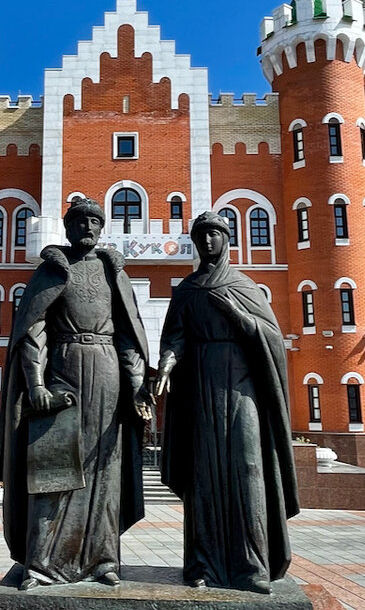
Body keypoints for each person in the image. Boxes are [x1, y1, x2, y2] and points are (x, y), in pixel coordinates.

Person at [0, 197, 154, 590]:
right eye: (80, 221)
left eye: (95, 221)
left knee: (105, 470)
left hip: (107, 374)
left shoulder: (113, 272)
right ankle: (42, 563)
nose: (87, 227)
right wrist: (36, 386)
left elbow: (128, 336)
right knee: (53, 469)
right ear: (67, 228)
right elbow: (33, 331)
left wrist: (136, 389)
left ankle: (103, 560)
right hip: (63, 372)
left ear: (103, 228)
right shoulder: (51, 272)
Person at [155, 211, 299, 593]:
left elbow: (270, 339)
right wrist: (168, 362)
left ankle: (252, 566)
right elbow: (174, 336)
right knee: (203, 475)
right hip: (199, 388)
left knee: (248, 469)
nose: (207, 242)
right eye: (201, 236)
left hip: (241, 388)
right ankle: (202, 564)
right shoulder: (187, 289)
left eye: (214, 235)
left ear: (226, 239)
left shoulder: (244, 286)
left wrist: (238, 316)